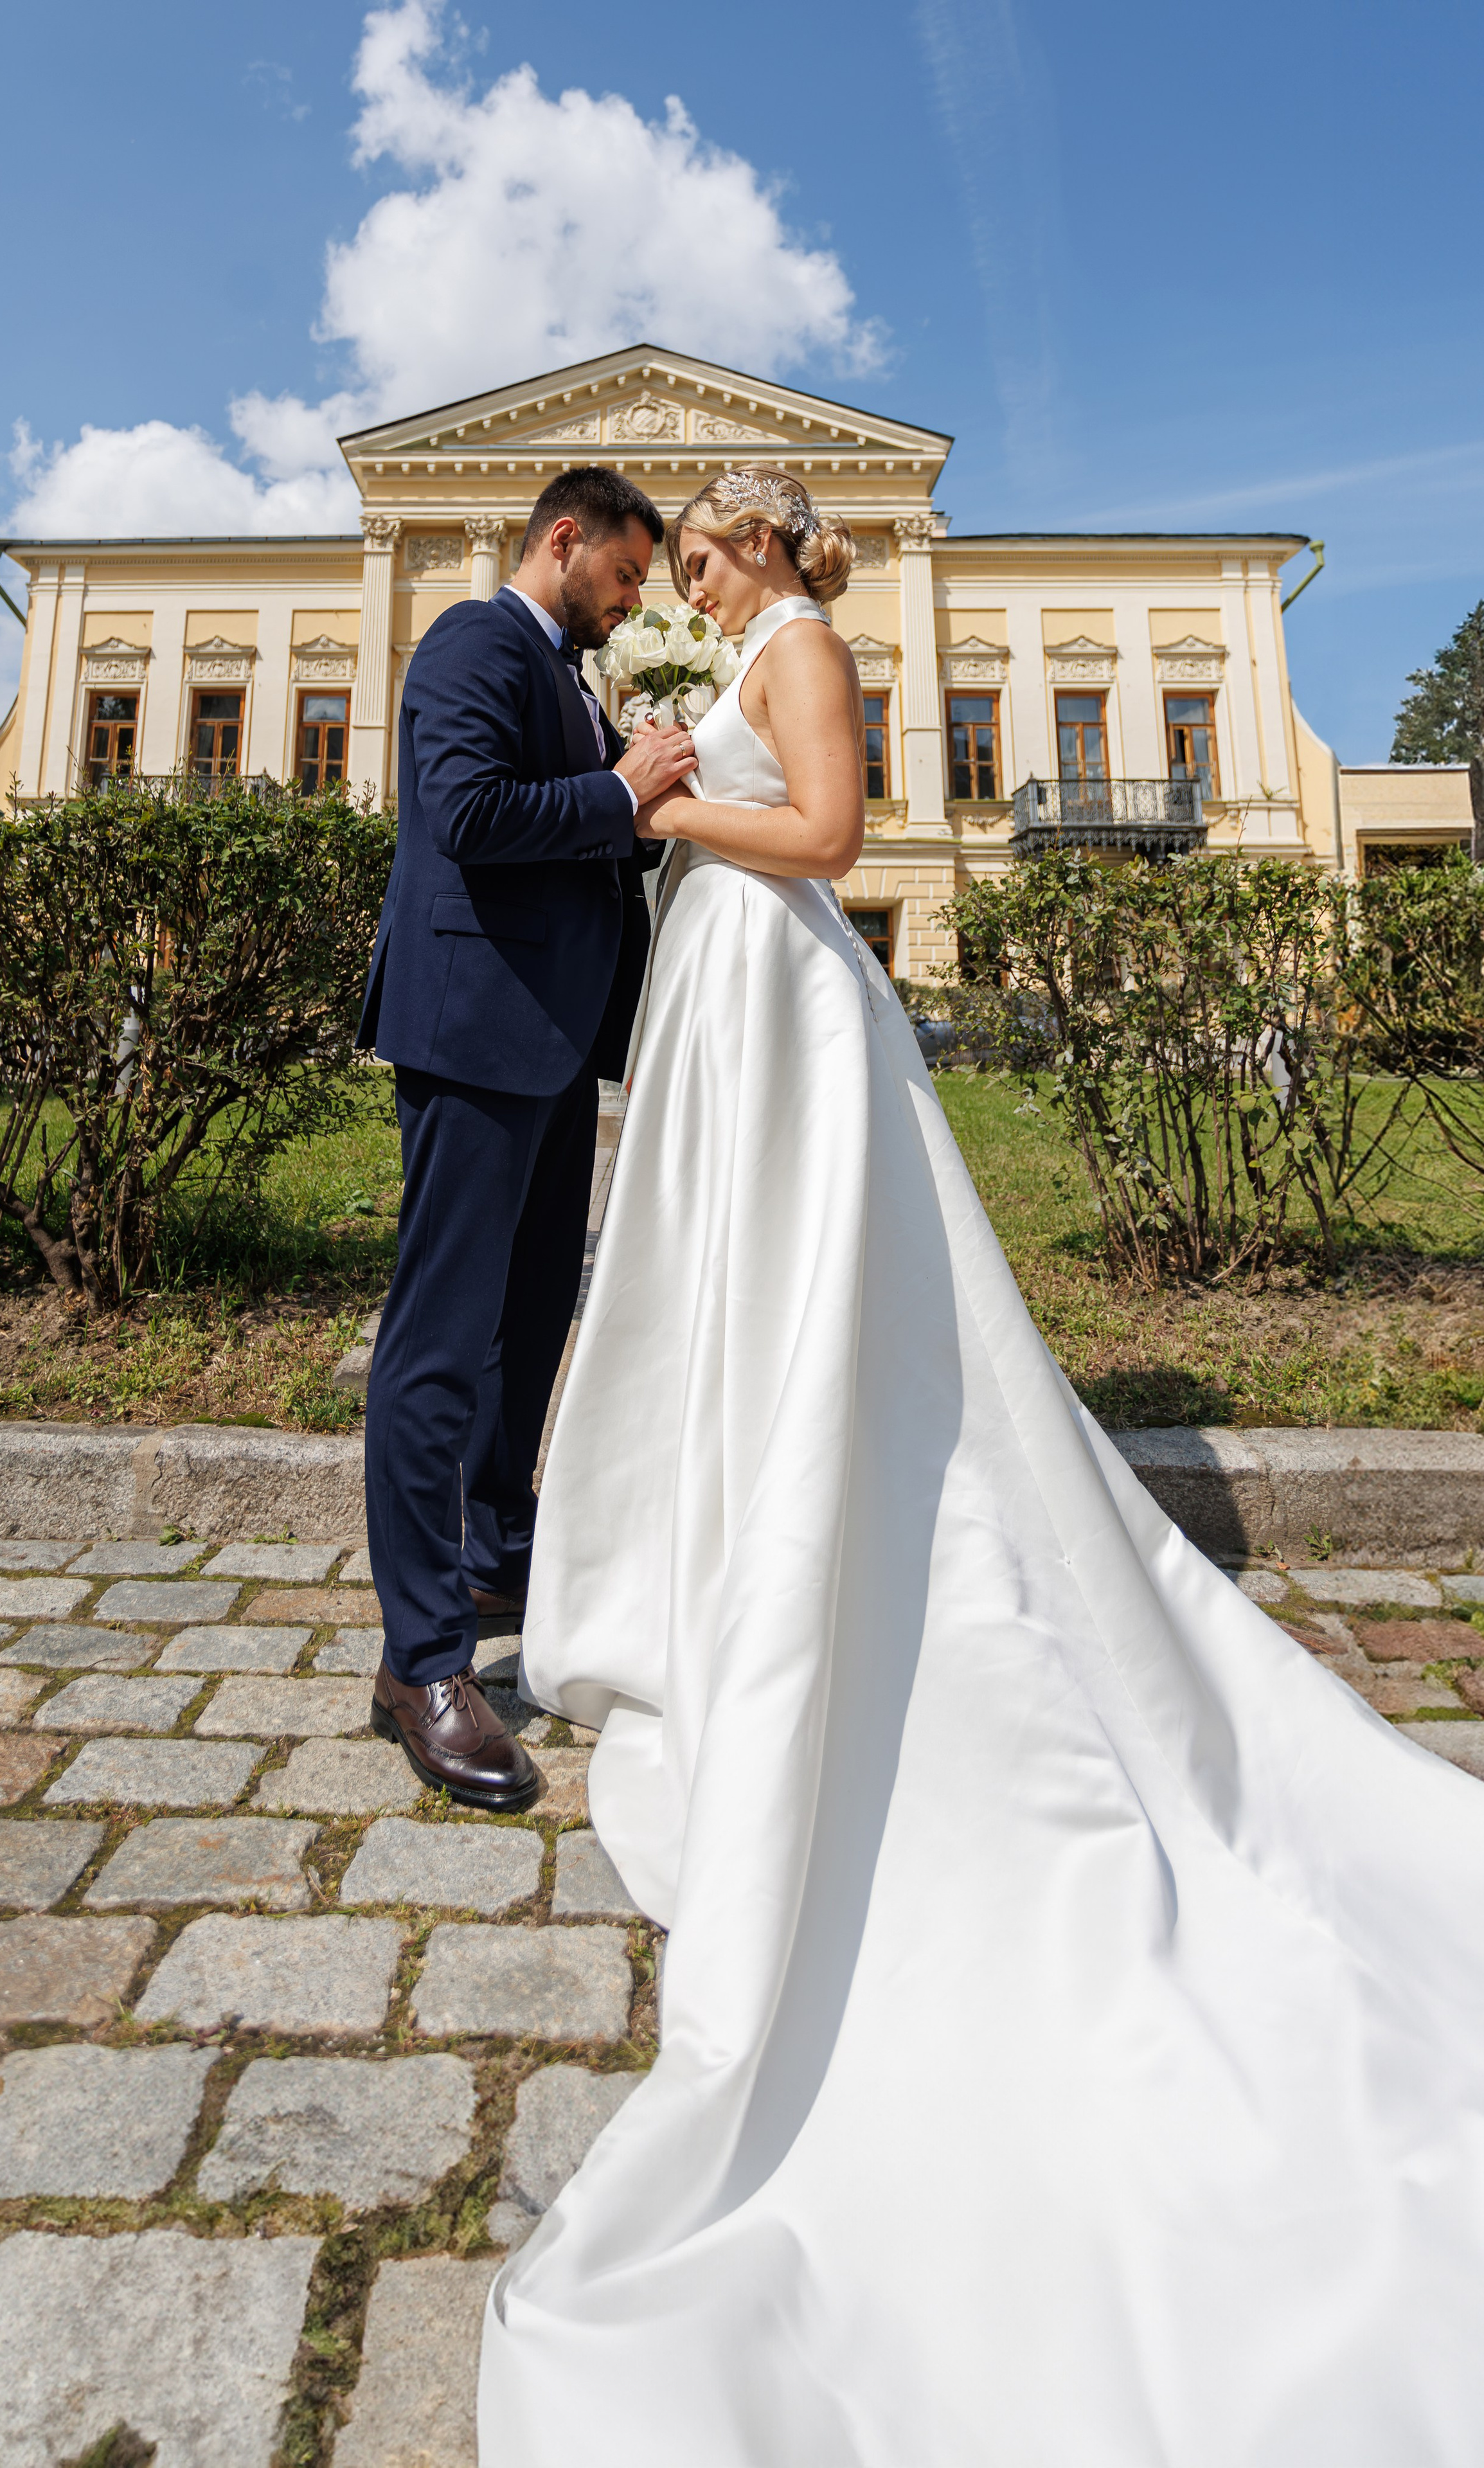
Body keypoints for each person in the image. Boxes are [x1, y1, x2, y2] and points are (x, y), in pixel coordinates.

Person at [478, 467, 1484, 2463]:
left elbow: (836, 840)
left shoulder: (816, 646)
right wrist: (659, 793)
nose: (682, 566)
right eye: (668, 551)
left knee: (846, 1302)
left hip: (791, 996)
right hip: (728, 1003)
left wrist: (667, 805)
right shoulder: (743, 645)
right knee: (737, 1301)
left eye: (703, 542)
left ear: (766, 538)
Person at [354, 466, 695, 1812]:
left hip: (549, 1051)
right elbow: (470, 816)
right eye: (622, 574)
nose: (629, 602)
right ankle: (421, 1662)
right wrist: (618, 795)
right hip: (470, 1037)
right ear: (565, 539)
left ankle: (499, 1551)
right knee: (437, 1344)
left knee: (532, 1317)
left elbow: (573, 841)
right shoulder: (470, 640)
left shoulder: (562, 668)